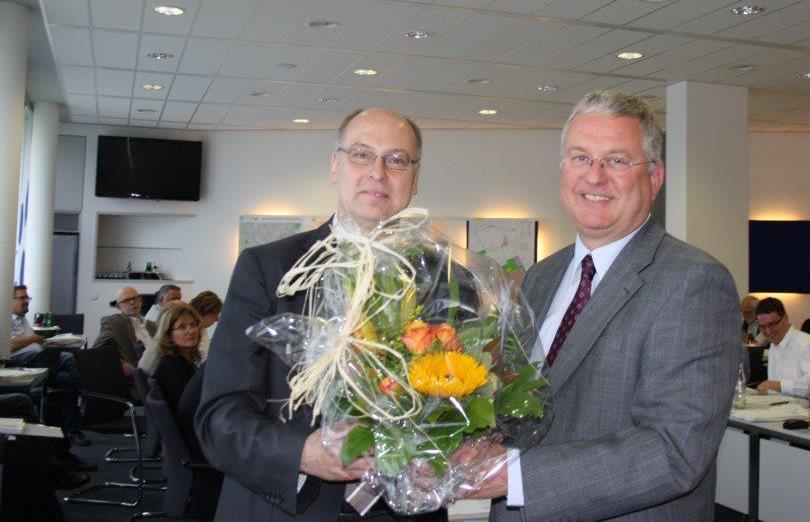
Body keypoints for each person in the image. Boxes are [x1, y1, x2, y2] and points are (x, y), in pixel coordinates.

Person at [470, 91, 740, 520]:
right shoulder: (541, 277)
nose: (594, 177)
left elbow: (674, 451)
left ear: (654, 177)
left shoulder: (694, 282)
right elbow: (525, 406)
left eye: (616, 161)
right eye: (580, 158)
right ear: (562, 170)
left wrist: (514, 477)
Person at [197, 108, 445, 521]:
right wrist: (302, 453)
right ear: (335, 166)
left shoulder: (448, 282)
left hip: (407, 509)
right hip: (285, 506)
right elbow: (218, 417)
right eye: (361, 155)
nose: (378, 173)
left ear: (414, 179)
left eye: (397, 160)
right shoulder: (269, 269)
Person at [9, 285, 86, 445]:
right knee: (68, 357)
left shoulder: (22, 319)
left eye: (27, 298)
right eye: (22, 298)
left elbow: (35, 340)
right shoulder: (6, 319)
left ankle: (72, 430)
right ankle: (87, 394)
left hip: (40, 359)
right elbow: (8, 346)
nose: (26, 302)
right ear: (10, 300)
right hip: (23, 361)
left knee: (65, 381)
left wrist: (41, 339)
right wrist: (34, 338)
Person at [92, 286, 156, 376]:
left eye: (134, 298)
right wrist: (120, 363)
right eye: (126, 300)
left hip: (159, 368)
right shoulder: (113, 322)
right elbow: (97, 351)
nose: (132, 302)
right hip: (138, 373)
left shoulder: (152, 325)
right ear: (119, 306)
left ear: (140, 299)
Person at [152, 302, 202, 416]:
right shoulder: (171, 365)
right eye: (182, 327)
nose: (191, 331)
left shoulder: (186, 361)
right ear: (168, 335)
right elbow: (187, 409)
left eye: (193, 325)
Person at [754, 297, 810, 397]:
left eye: (772, 324)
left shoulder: (805, 343)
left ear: (785, 318)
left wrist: (778, 385)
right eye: (762, 326)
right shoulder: (773, 346)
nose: (768, 331)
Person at [189, 290, 223, 363]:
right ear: (208, 313)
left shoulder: (201, 329)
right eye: (216, 314)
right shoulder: (192, 331)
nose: (217, 319)